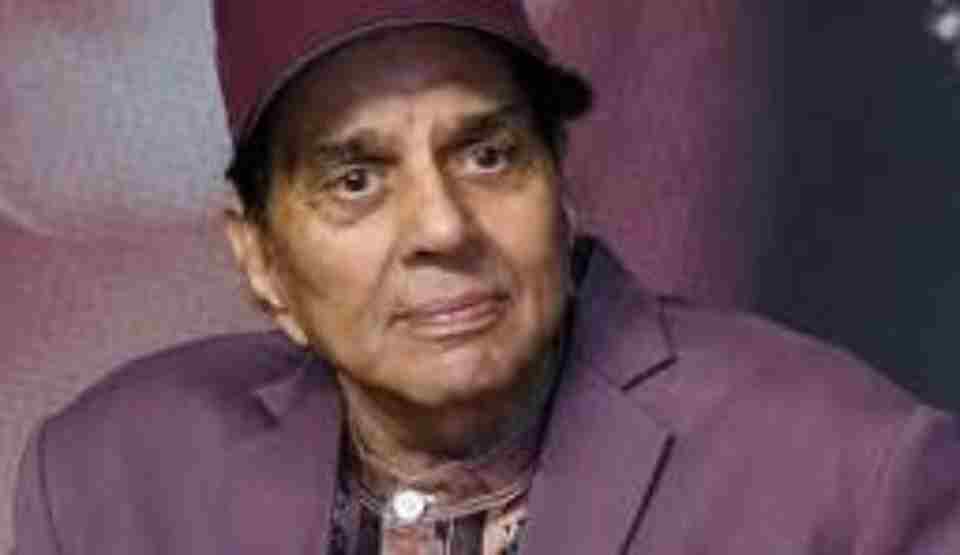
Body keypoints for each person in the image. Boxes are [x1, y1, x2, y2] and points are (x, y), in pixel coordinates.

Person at [13, 1, 960, 553]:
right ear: (261, 260)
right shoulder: (111, 481)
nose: (442, 226)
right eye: (356, 179)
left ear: (561, 183)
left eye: (488, 154)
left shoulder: (848, 477)